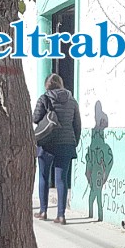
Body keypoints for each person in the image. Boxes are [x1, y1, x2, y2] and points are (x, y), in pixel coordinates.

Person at [32, 73, 81, 225]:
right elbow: (77, 124)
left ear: (47, 85)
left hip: (47, 143)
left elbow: (35, 118)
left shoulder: (44, 98)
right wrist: (74, 142)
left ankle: (43, 211)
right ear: (61, 84)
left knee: (44, 177)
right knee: (61, 179)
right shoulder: (72, 101)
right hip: (66, 144)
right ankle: (61, 215)